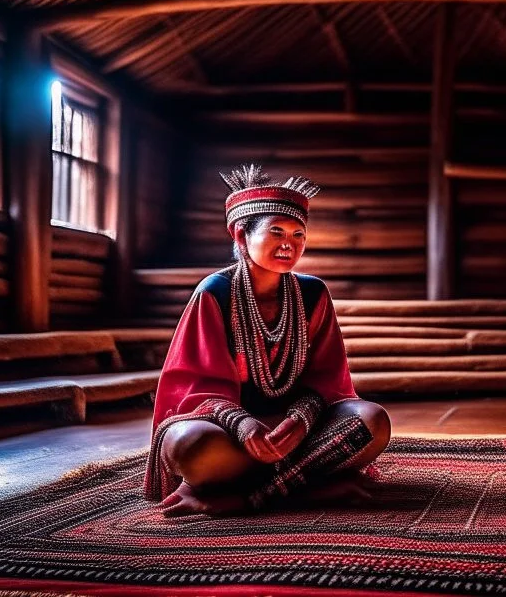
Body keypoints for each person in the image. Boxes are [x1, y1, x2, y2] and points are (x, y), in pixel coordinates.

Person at [144, 164, 390, 516]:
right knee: (189, 447)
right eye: (276, 232)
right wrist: (243, 425)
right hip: (228, 435)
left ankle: (244, 499)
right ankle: (311, 486)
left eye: (298, 235)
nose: (289, 244)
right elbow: (194, 389)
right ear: (242, 236)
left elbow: (328, 379)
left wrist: (301, 418)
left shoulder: (313, 294)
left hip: (297, 430)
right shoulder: (215, 293)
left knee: (373, 422)